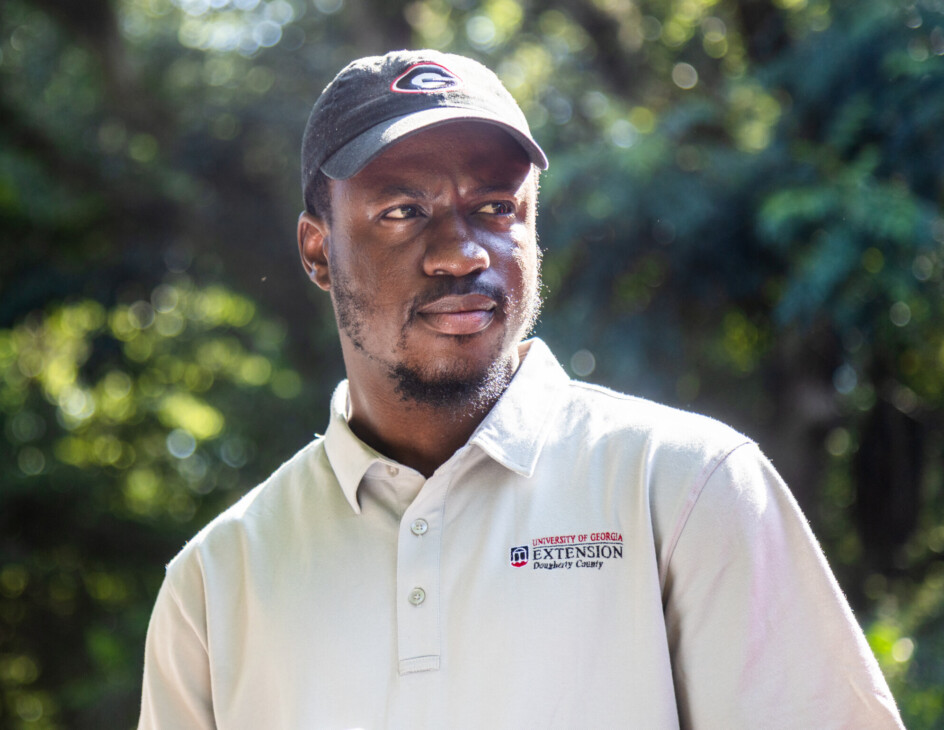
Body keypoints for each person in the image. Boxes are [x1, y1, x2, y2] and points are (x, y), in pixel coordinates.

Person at [138, 49, 904, 729]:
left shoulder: (685, 487)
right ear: (317, 249)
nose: (460, 252)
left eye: (496, 207)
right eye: (404, 212)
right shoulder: (216, 585)